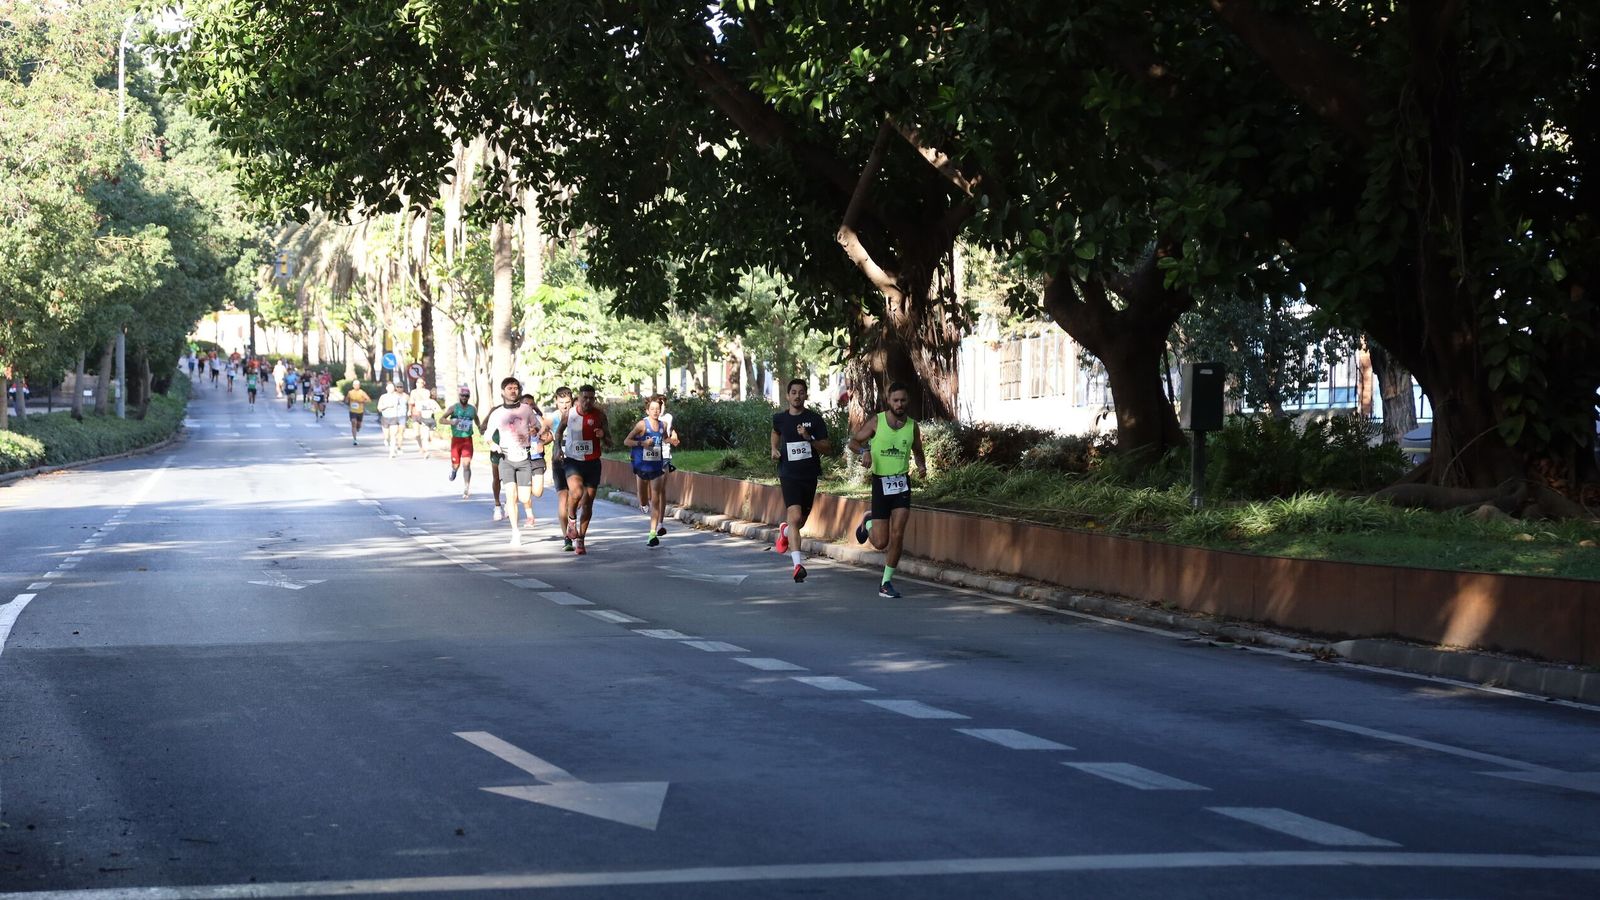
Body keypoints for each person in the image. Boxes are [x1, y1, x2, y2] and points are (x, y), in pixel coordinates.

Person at [846, 382, 926, 599]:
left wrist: (921, 466)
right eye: (895, 400)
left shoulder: (912, 426)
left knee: (898, 534)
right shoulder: (876, 421)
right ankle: (868, 521)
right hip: (881, 484)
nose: (899, 404)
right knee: (881, 542)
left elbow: (918, 450)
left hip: (901, 484)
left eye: (903, 400)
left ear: (907, 402)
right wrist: (865, 451)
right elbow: (853, 442)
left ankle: (886, 582)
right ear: (888, 401)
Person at [771, 378, 834, 582]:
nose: (797, 396)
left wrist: (809, 438)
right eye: (794, 392)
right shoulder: (780, 418)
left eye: (801, 392)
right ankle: (798, 565)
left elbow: (827, 447)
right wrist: (774, 448)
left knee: (800, 522)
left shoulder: (814, 420)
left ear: (806, 395)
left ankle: (786, 530)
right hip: (788, 474)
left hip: (809, 475)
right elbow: (775, 432)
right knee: (795, 515)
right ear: (788, 396)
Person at [483, 377, 547, 547]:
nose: (513, 391)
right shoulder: (497, 413)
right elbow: (487, 435)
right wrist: (493, 444)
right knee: (511, 495)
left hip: (524, 458)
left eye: (516, 388)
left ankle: (514, 505)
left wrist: (536, 431)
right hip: (506, 458)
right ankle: (515, 532)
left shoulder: (526, 410)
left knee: (524, 496)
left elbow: (539, 427)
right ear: (503, 392)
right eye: (509, 388)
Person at [554, 384, 608, 556]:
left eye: (592, 398)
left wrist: (603, 436)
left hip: (592, 463)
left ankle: (581, 539)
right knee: (576, 493)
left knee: (588, 503)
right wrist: (557, 448)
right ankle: (571, 521)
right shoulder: (569, 414)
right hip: (572, 460)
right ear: (579, 397)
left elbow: (610, 441)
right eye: (585, 397)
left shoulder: (600, 415)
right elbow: (559, 432)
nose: (588, 401)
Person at [624, 395, 678, 547]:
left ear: (661, 411)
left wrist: (672, 440)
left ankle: (652, 534)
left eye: (658, 409)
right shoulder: (642, 424)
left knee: (655, 499)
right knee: (643, 498)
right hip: (641, 465)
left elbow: (665, 438)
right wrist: (642, 443)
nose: (655, 411)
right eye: (652, 409)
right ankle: (642, 503)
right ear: (647, 410)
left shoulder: (663, 424)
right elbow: (626, 441)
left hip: (656, 466)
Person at [549, 386, 575, 550]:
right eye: (561, 402)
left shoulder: (577, 415)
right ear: (556, 402)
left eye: (567, 402)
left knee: (577, 497)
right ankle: (566, 536)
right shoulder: (552, 418)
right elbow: (542, 433)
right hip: (559, 460)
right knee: (563, 499)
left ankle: (572, 524)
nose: (564, 406)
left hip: (577, 460)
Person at [445, 385, 478, 498]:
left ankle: (466, 488)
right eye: (463, 395)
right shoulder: (454, 408)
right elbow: (441, 419)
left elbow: (477, 421)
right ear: (459, 396)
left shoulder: (472, 409)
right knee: (456, 464)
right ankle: (454, 470)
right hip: (456, 440)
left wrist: (483, 429)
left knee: (467, 464)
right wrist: (451, 422)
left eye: (467, 396)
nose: (464, 397)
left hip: (467, 440)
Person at [409, 378, 440, 459]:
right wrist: (409, 410)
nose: (419, 384)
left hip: (426, 414)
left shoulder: (426, 392)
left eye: (421, 382)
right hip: (416, 413)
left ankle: (425, 446)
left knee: (427, 435)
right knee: (417, 433)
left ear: (423, 383)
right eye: (417, 382)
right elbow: (411, 402)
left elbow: (431, 403)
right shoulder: (413, 392)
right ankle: (421, 447)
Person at [378, 382, 408, 457]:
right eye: (389, 387)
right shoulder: (383, 397)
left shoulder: (396, 397)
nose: (391, 389)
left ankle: (392, 452)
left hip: (394, 417)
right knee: (386, 436)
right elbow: (379, 408)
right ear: (386, 388)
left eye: (392, 388)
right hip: (385, 417)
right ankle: (385, 439)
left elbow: (401, 406)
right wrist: (387, 406)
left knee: (393, 435)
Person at [344, 378, 371, 445]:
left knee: (358, 425)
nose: (356, 386)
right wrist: (347, 401)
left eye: (357, 385)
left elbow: (369, 400)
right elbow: (346, 400)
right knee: (353, 423)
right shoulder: (350, 392)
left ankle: (358, 428)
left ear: (359, 386)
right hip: (352, 411)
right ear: (353, 385)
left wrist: (361, 401)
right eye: (355, 385)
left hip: (360, 411)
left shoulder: (362, 392)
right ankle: (354, 439)